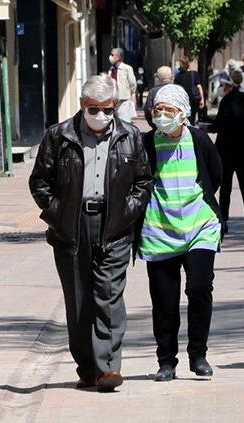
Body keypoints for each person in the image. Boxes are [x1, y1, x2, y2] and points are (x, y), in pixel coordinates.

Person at [29, 74, 153, 392]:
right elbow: (39, 180)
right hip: (72, 227)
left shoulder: (130, 136)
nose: (102, 115)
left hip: (114, 226)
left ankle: (108, 367)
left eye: (108, 109)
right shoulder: (59, 136)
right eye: (95, 108)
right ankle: (87, 367)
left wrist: (127, 212)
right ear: (83, 105)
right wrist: (56, 212)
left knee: (109, 296)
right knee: (79, 300)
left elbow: (143, 181)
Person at [138, 84, 221, 382]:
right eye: (157, 110)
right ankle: (166, 360)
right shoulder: (146, 143)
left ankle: (198, 355)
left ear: (183, 114)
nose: (161, 116)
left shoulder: (198, 139)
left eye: (168, 111)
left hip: (200, 226)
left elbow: (216, 174)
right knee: (164, 300)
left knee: (199, 290)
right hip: (159, 229)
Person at [210, 71, 244, 234]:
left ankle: (224, 220)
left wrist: (207, 127)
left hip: (226, 150)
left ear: (229, 84)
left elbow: (218, 124)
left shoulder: (226, 101)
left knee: (226, 186)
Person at [108, 47, 137, 122]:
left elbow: (132, 83)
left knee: (124, 120)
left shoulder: (127, 68)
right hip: (112, 99)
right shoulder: (111, 69)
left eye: (112, 55)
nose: (110, 57)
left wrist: (128, 93)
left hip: (123, 99)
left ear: (118, 57)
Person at [174, 55, 205, 124]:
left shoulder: (178, 76)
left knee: (184, 119)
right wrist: (202, 99)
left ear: (181, 64)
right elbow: (199, 86)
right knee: (192, 118)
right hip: (194, 99)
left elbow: (176, 89)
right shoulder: (194, 74)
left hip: (183, 100)